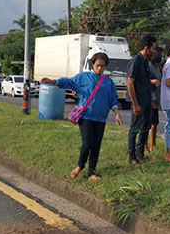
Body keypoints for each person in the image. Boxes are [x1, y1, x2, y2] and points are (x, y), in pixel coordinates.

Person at [40, 52, 122, 180]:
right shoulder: (83, 77)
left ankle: (91, 172)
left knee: (96, 145)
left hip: (101, 118)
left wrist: (117, 113)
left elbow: (113, 99)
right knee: (87, 143)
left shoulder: (108, 82)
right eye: (98, 65)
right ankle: (80, 165)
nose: (100, 68)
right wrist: (53, 81)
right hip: (86, 117)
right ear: (92, 64)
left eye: (103, 66)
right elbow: (69, 82)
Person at [126, 35, 157, 166]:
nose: (155, 51)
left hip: (146, 100)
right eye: (153, 48)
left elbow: (144, 81)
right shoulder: (136, 61)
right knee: (134, 128)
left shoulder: (145, 61)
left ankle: (140, 154)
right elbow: (130, 82)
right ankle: (132, 156)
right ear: (147, 48)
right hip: (138, 101)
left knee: (146, 126)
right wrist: (135, 104)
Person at [146, 46, 164, 154]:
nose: (162, 57)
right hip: (150, 98)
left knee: (155, 123)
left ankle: (153, 144)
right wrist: (153, 81)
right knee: (148, 124)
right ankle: (145, 146)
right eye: (161, 54)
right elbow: (143, 80)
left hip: (156, 99)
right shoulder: (148, 66)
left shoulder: (156, 66)